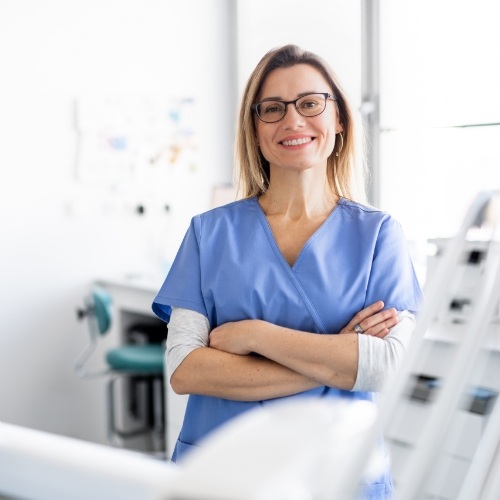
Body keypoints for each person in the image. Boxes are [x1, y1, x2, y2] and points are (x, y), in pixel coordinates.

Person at [152, 44, 423, 498]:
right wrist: (340, 357)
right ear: (255, 129)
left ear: (339, 119)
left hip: (337, 471)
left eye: (311, 103)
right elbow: (185, 369)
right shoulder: (208, 233)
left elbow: (388, 366)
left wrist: (257, 336)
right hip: (224, 471)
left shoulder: (379, 235)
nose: (293, 121)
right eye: (273, 109)